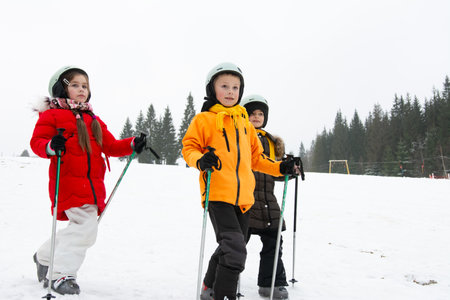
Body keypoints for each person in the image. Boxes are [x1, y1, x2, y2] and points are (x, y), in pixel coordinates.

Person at [182, 62, 299, 300]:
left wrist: (280, 166)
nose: (230, 92)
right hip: (217, 195)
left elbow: (258, 159)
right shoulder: (204, 120)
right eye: (224, 86)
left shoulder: (245, 124)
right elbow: (189, 148)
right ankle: (224, 295)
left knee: (231, 247)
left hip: (244, 199)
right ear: (212, 89)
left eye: (235, 87)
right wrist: (201, 159)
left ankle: (209, 286)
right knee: (235, 250)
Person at [30, 66, 146, 295]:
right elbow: (37, 142)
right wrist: (51, 146)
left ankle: (44, 256)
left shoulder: (93, 119)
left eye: (84, 85)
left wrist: (132, 144)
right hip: (67, 183)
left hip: (93, 187)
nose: (81, 89)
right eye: (74, 85)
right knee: (85, 229)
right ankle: (61, 273)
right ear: (61, 89)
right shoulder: (52, 115)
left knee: (79, 228)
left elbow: (110, 146)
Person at [241, 94, 290, 299]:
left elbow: (275, 171)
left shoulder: (272, 142)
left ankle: (271, 282)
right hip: (244, 200)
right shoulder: (240, 136)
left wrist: (289, 170)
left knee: (274, 241)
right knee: (236, 242)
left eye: (260, 114)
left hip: (269, 202)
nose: (256, 117)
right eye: (252, 113)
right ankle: (226, 277)